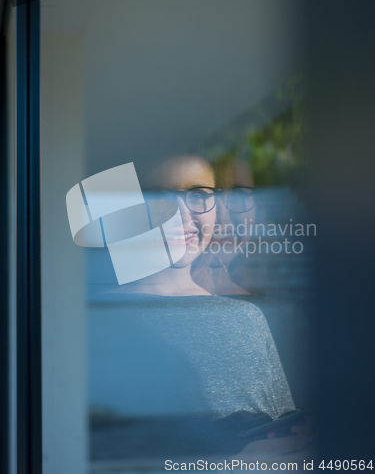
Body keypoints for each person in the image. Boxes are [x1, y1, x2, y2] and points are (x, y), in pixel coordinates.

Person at [89, 154, 313, 462]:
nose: (182, 214)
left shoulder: (246, 318)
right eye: (161, 196)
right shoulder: (93, 316)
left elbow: (275, 433)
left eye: (198, 196)